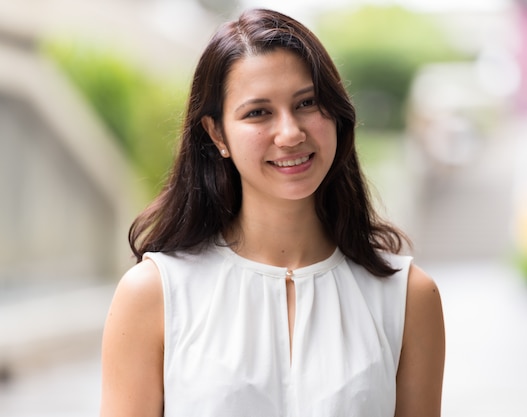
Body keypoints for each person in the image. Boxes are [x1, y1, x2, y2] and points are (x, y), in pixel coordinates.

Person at [100, 8, 445, 417]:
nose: (291, 133)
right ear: (216, 133)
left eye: (307, 103)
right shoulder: (154, 294)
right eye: (258, 112)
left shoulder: (407, 297)